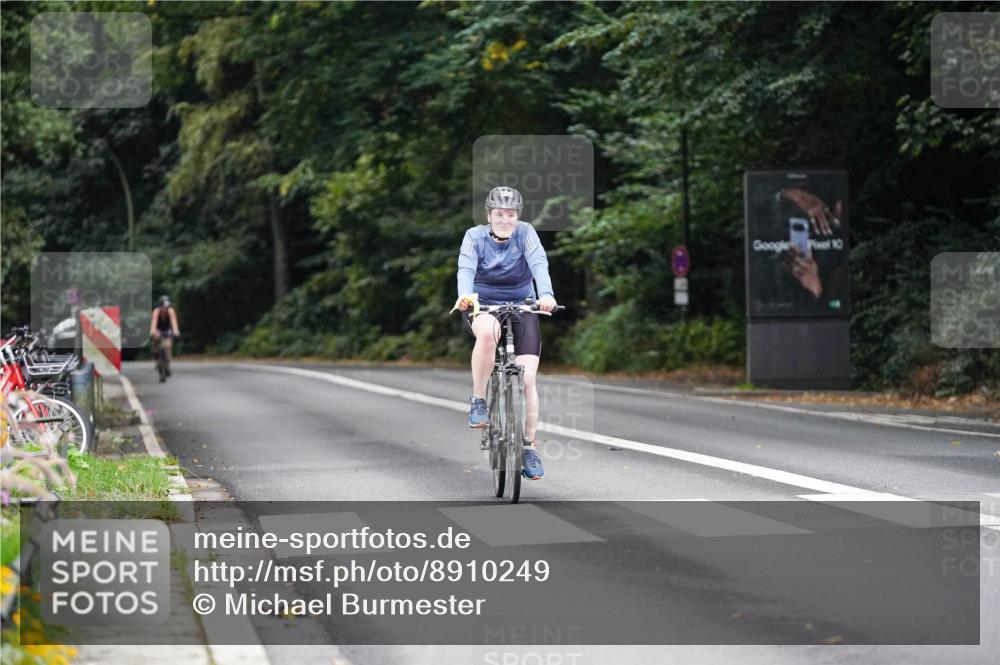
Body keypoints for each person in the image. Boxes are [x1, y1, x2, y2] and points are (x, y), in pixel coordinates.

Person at [454, 186, 557, 480]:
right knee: (488, 334)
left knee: (528, 379)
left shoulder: (526, 233)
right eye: (499, 214)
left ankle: (528, 447)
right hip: (483, 304)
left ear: (517, 216)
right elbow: (465, 268)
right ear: (489, 215)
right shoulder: (474, 237)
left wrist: (546, 295)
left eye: (511, 215)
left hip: (523, 304)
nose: (505, 220)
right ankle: (478, 401)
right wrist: (465, 295)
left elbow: (539, 263)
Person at [149, 295, 180, 377]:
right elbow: (154, 323)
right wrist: (153, 331)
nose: (165, 309)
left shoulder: (171, 311)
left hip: (167, 329)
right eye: (163, 307)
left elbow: (174, 322)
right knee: (156, 338)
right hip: (158, 329)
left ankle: (167, 364)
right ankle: (156, 356)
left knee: (168, 346)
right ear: (160, 306)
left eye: (166, 307)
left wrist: (176, 331)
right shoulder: (156, 311)